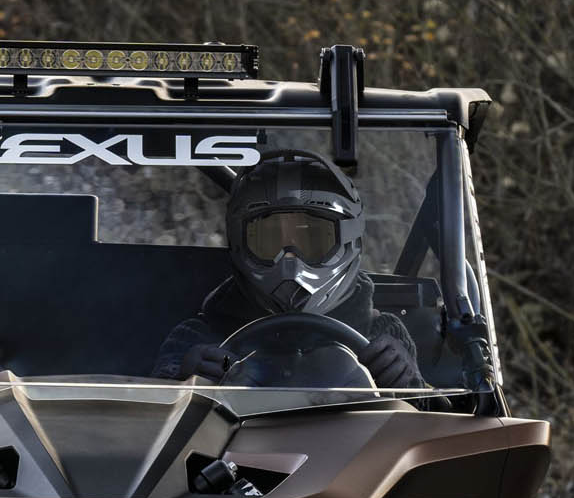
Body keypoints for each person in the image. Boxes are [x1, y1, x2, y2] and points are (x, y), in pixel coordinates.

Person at [155, 154, 424, 387]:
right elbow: (151, 421)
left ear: (347, 241)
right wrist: (183, 380)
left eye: (311, 239)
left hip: (359, 445)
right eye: (270, 240)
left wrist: (406, 381)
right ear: (240, 244)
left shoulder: (380, 331)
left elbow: (427, 419)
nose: (290, 261)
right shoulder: (198, 334)